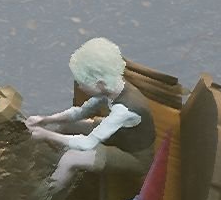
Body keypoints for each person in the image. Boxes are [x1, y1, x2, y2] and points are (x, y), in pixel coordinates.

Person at [25, 36, 151, 191]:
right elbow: (80, 112)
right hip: (118, 136)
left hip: (134, 156)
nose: (80, 86)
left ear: (100, 83)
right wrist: (45, 120)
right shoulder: (113, 86)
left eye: (82, 83)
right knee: (62, 125)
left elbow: (87, 143)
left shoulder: (125, 110)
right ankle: (47, 156)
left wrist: (46, 135)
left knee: (71, 158)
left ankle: (46, 195)